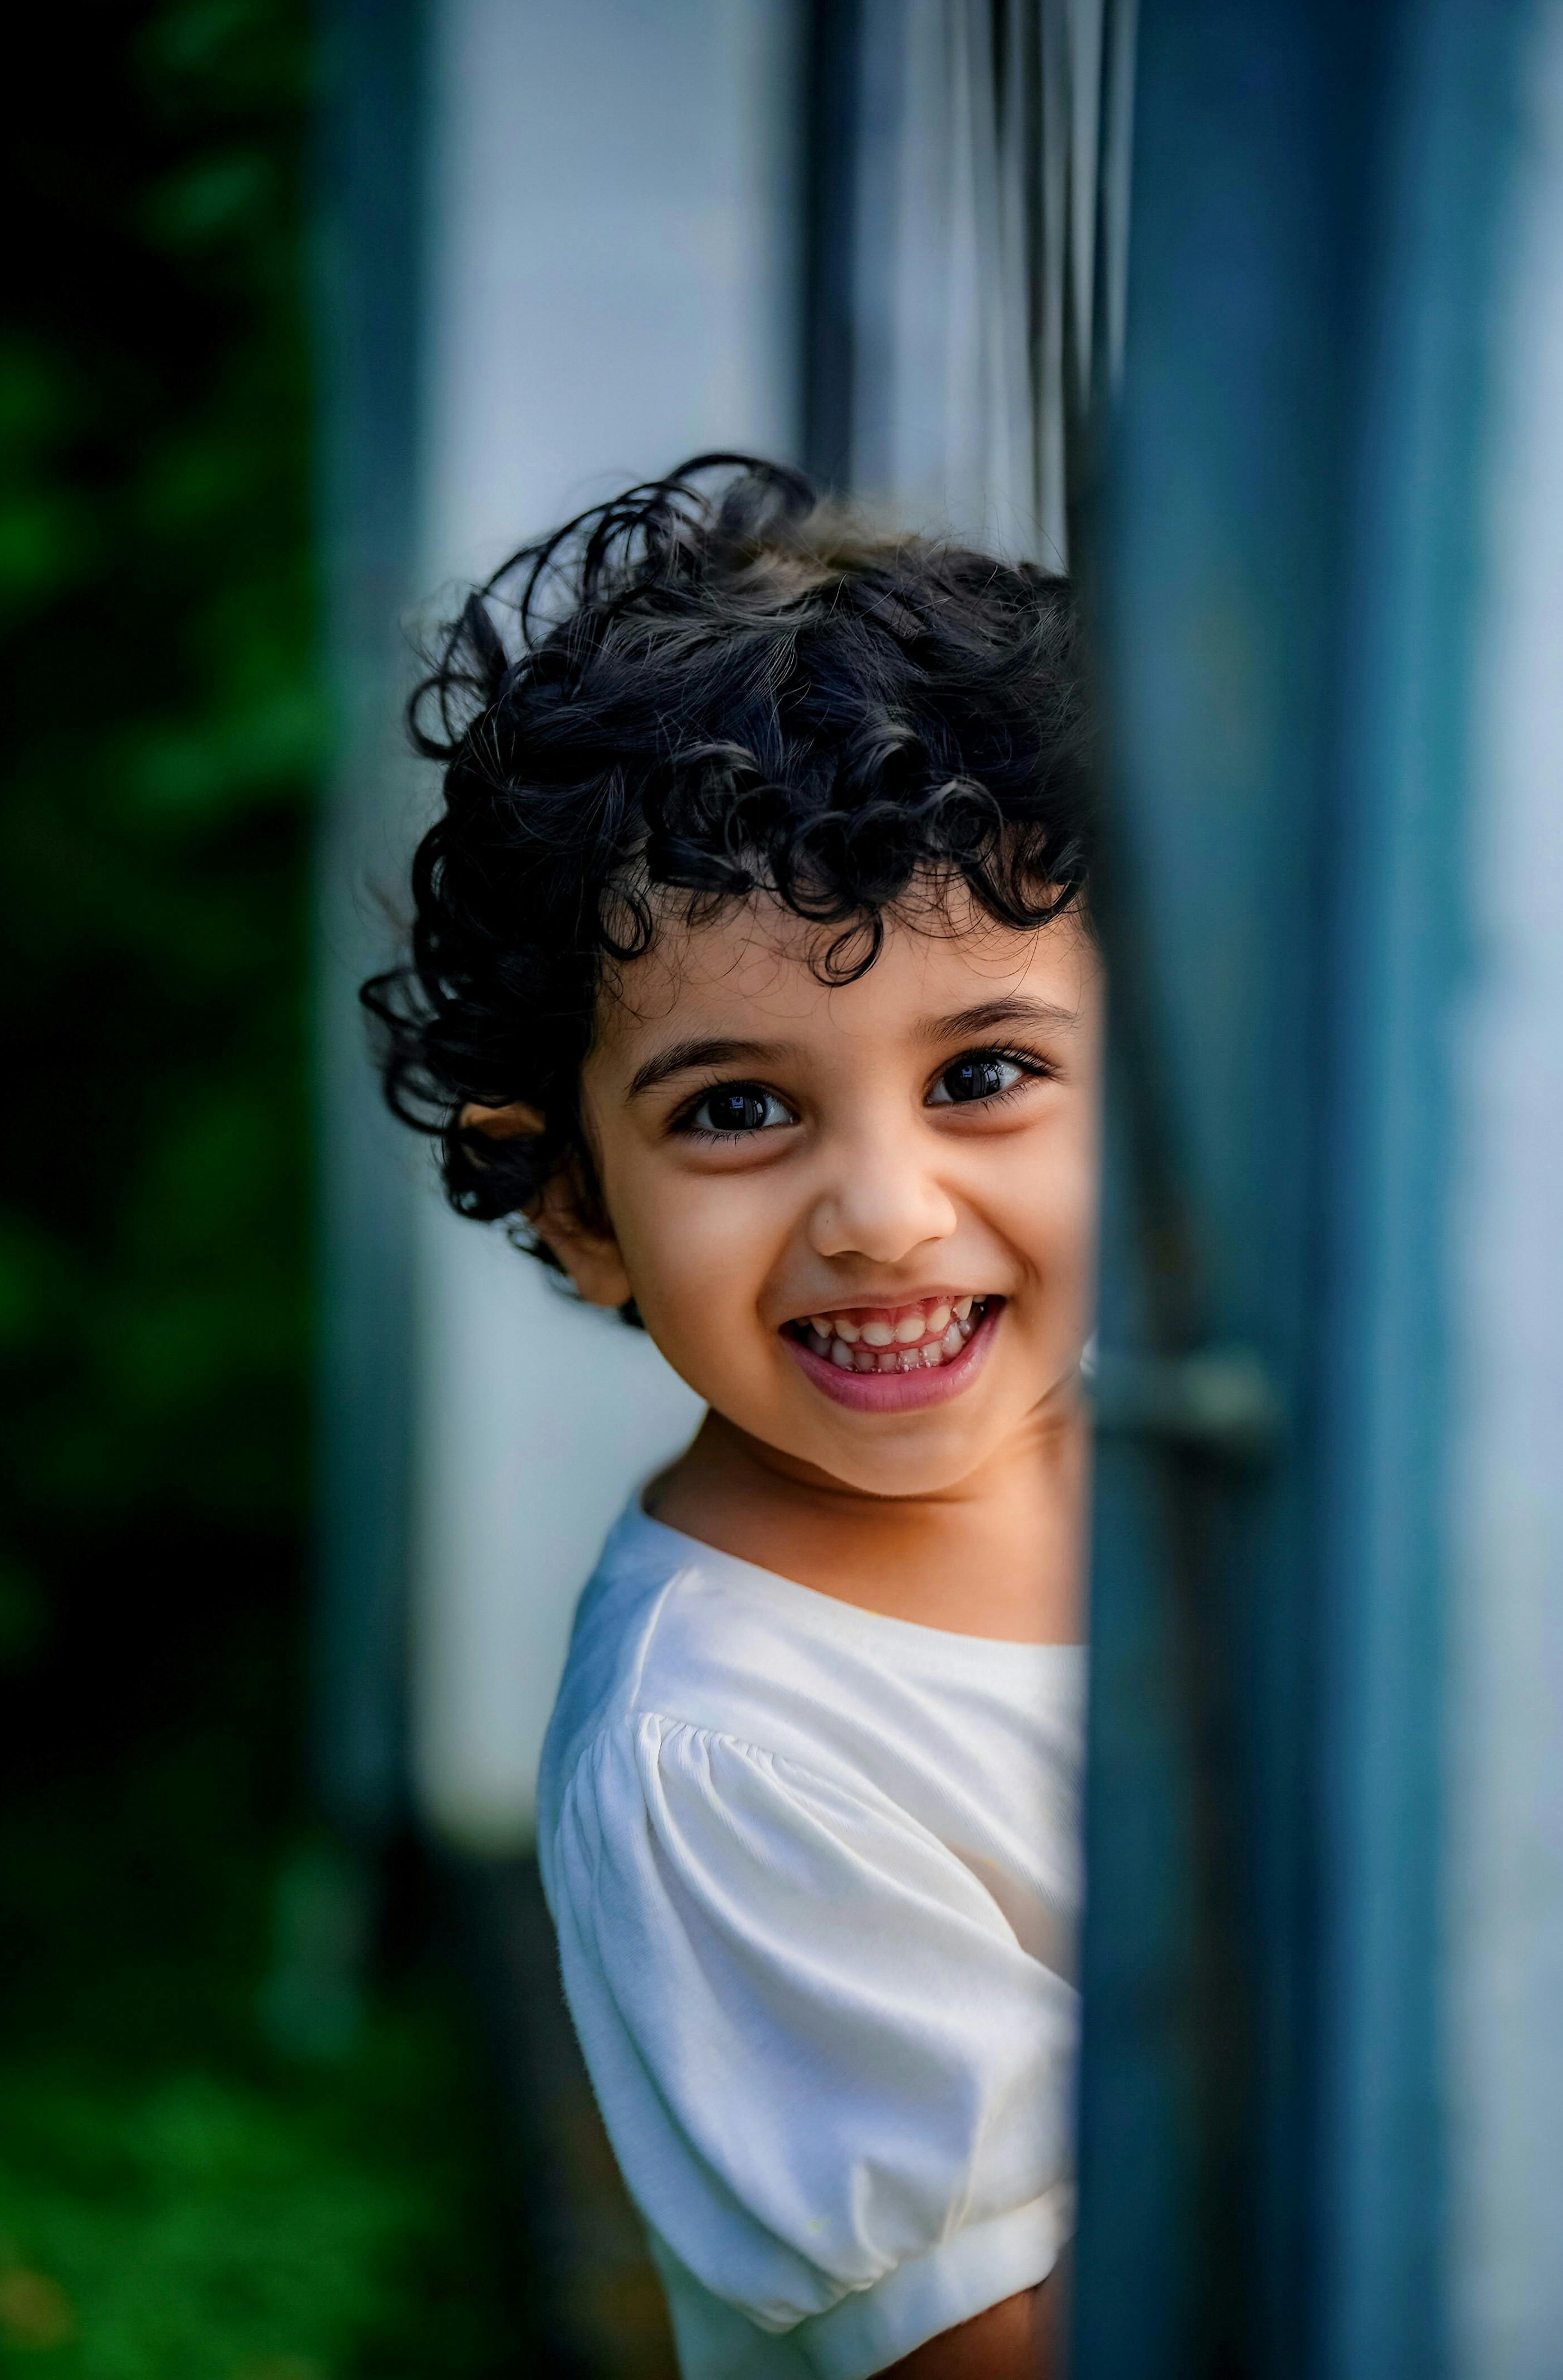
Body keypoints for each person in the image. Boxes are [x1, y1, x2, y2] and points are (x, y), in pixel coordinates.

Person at [366, 456, 1100, 2379]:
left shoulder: (1213, 1473)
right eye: (737, 1109)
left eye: (993, 1071)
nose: (884, 1215)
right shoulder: (725, 1760)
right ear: (576, 1207)